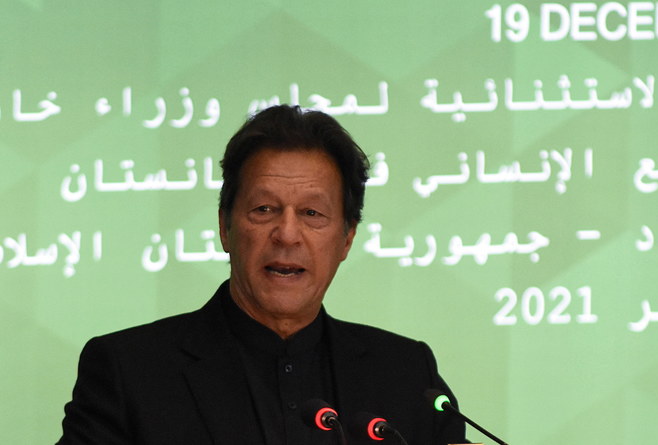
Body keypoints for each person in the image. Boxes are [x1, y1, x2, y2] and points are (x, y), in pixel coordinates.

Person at [57, 105, 467, 444]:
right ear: (225, 227)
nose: (287, 234)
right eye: (264, 209)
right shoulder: (130, 371)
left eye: (312, 213)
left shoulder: (408, 375)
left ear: (347, 239)